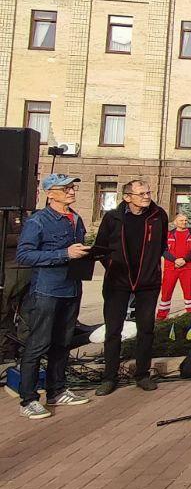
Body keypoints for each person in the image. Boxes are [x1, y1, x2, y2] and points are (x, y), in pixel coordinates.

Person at [15, 175, 94, 419]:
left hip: (71, 288)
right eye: (66, 188)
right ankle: (28, 399)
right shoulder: (38, 221)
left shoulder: (76, 218)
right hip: (47, 290)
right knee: (39, 343)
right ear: (50, 194)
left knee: (63, 342)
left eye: (73, 187)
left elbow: (75, 251)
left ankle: (57, 390)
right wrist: (64, 253)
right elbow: (25, 256)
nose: (71, 191)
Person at [92, 179, 168, 395]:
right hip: (118, 282)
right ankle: (109, 377)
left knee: (146, 329)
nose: (146, 196)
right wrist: (113, 266)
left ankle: (142, 374)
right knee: (113, 330)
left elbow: (161, 244)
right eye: (141, 193)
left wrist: (153, 268)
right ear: (127, 197)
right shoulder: (113, 217)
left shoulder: (158, 215)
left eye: (148, 192)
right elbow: (101, 248)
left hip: (148, 283)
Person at [158, 212, 191, 320]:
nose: (184, 222)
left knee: (189, 295)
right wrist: (175, 260)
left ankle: (190, 317)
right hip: (171, 268)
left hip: (187, 268)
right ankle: (161, 317)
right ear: (175, 222)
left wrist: (185, 260)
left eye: (185, 220)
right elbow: (163, 250)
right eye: (181, 220)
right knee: (166, 294)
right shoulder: (169, 235)